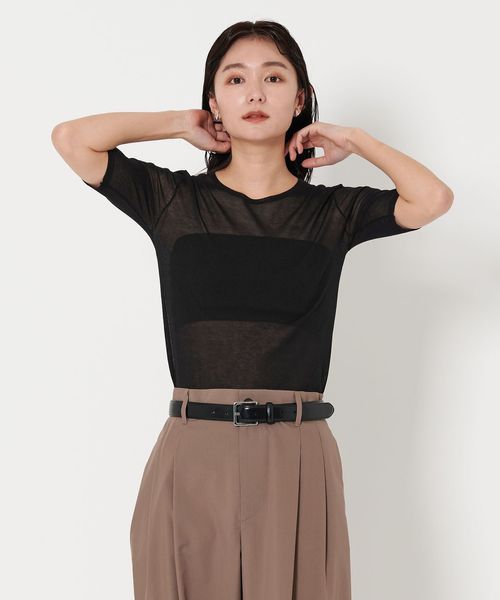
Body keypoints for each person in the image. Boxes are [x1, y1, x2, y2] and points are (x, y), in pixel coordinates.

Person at [51, 19, 453, 600]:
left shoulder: (333, 214)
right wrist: (179, 123)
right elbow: (72, 138)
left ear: (300, 99)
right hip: (194, 449)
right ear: (215, 102)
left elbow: (432, 199)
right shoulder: (173, 202)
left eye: (274, 77)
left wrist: (354, 138)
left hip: (297, 452)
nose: (256, 92)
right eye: (236, 79)